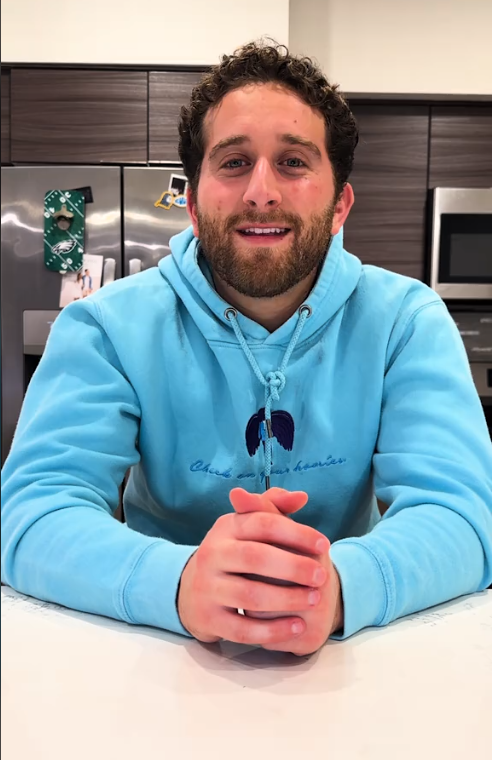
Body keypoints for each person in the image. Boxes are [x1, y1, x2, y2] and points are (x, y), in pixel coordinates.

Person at [1, 42, 491, 657]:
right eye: (233, 162)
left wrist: (334, 586)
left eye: (292, 161)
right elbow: (31, 514)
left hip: (356, 663)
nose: (261, 191)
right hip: (154, 661)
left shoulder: (406, 324)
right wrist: (177, 583)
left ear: (340, 204)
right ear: (194, 205)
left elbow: (465, 518)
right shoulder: (104, 329)